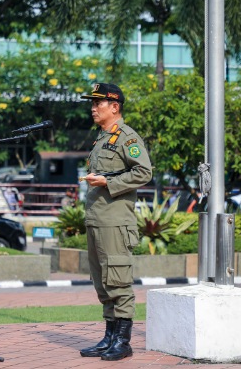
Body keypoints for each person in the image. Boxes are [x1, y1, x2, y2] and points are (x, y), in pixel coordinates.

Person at [79, 83, 152, 361]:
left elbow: (144, 172)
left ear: (115, 107)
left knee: (118, 280)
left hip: (115, 222)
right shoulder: (101, 138)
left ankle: (123, 341)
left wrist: (108, 182)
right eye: (92, 103)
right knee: (102, 280)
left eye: (98, 103)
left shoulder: (127, 138)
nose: (93, 108)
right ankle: (109, 336)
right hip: (97, 219)